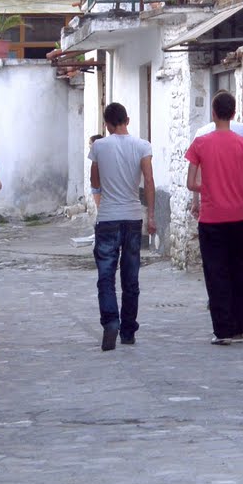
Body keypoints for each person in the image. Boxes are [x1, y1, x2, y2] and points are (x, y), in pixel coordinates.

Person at [185, 91, 243, 345]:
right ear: (234, 113)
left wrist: (209, 187)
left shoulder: (200, 144)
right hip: (239, 217)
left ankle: (222, 330)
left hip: (211, 219)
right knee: (238, 272)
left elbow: (190, 182)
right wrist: (236, 187)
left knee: (216, 273)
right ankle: (238, 327)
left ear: (213, 113)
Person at [89, 103, 156, 351]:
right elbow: (148, 180)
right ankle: (128, 330)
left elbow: (95, 183)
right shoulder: (142, 146)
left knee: (105, 277)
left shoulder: (98, 146)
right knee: (131, 278)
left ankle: (110, 323)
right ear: (127, 119)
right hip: (132, 216)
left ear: (107, 124)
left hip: (107, 217)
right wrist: (151, 216)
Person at [190, 118, 243, 214]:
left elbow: (197, 171)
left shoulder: (201, 133)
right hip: (236, 204)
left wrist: (195, 202)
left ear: (214, 113)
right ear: (233, 112)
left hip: (211, 205)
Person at [88, 134, 104, 209]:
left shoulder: (96, 156)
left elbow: (94, 174)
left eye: (90, 143)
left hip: (99, 186)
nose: (89, 146)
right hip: (100, 186)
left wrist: (95, 187)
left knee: (100, 209)